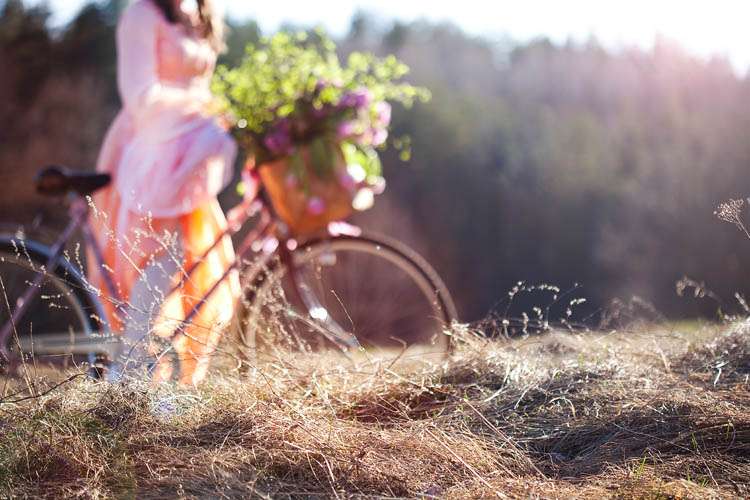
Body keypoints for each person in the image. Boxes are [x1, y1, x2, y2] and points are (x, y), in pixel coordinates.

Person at [89, 0, 240, 385]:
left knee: (189, 260)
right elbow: (140, 96)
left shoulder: (200, 13)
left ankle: (154, 374)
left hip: (188, 158)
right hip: (149, 151)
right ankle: (130, 371)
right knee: (155, 254)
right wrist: (205, 108)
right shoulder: (143, 13)